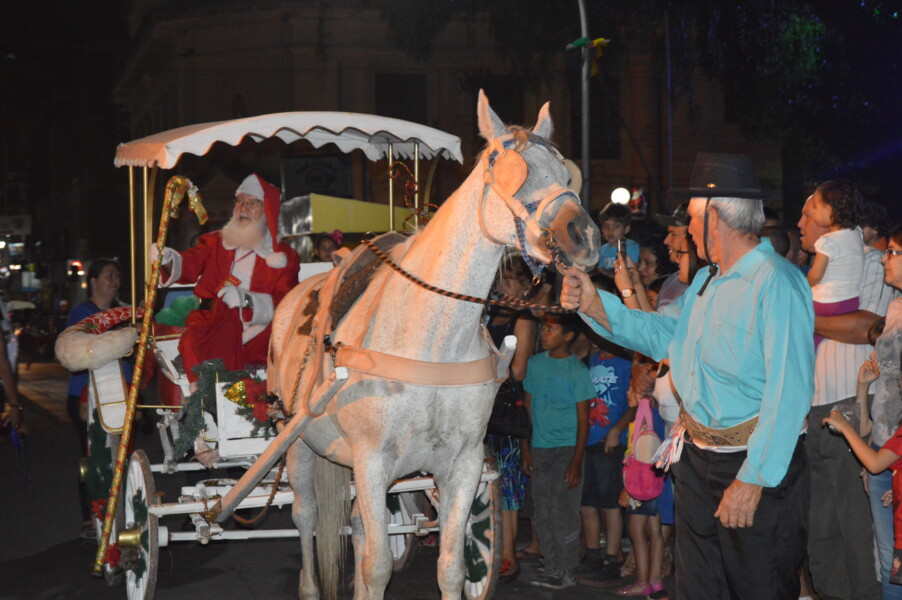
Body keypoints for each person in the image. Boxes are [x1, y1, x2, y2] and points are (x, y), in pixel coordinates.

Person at [561, 152, 813, 598]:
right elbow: (666, 336)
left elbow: (789, 392)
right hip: (697, 462)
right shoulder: (707, 282)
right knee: (698, 589)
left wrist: (752, 478)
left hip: (751, 465)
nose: (689, 231)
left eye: (693, 219)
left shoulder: (777, 282)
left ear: (716, 218)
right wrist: (593, 304)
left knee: (758, 588)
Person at [798, 183, 897, 600]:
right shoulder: (816, 272)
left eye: (807, 213)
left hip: (851, 407)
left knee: (855, 526)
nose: (800, 223)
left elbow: (868, 328)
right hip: (812, 411)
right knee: (820, 530)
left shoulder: (871, 264)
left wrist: (800, 314)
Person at [152, 173, 301, 383]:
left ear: (267, 210)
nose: (244, 208)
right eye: (240, 201)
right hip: (210, 320)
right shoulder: (216, 243)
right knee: (193, 339)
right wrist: (167, 258)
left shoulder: (284, 258)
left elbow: (287, 304)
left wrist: (247, 300)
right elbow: (188, 266)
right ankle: (203, 403)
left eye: (253, 203)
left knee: (262, 349)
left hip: (257, 328)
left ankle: (239, 403)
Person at [520, 314, 595, 590]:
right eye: (544, 328)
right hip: (540, 447)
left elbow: (583, 419)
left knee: (564, 511)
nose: (544, 332)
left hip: (566, 448)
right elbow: (526, 410)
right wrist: (525, 448)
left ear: (568, 336)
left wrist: (576, 460)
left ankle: (567, 568)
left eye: (551, 329)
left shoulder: (577, 371)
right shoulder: (535, 364)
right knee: (542, 510)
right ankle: (551, 568)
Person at [484, 258, 537, 584]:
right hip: (485, 403)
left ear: (523, 285)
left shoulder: (523, 317)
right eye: (500, 280)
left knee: (507, 484)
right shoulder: (491, 314)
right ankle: (494, 550)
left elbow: (518, 370)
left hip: (506, 405)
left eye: (508, 280)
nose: (502, 286)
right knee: (488, 482)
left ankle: (509, 555)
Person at [578, 303, 634, 584]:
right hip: (587, 438)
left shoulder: (626, 363)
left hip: (610, 441)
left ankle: (613, 556)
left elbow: (635, 403)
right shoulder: (595, 359)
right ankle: (592, 552)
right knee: (587, 501)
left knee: (610, 502)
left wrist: (618, 429)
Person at [805, 181, 865, 349]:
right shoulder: (857, 233)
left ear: (829, 210)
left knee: (810, 339)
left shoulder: (826, 241)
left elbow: (816, 275)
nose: (813, 212)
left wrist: (806, 282)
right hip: (850, 301)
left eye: (816, 206)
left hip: (825, 301)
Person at [596, 202, 640, 275]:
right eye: (606, 226)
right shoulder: (603, 249)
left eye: (616, 226)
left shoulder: (632, 247)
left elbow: (633, 271)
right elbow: (601, 270)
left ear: (626, 229)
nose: (610, 231)